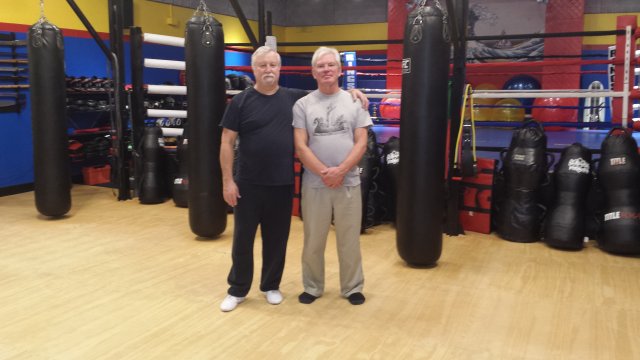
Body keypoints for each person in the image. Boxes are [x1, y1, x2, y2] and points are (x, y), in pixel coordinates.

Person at [219, 46, 369, 312]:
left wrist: (356, 93)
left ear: (279, 69)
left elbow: (335, 103)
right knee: (244, 238)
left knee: (279, 239)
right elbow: (228, 141)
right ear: (254, 69)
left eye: (272, 65)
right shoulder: (245, 102)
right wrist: (227, 181)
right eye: (262, 65)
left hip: (284, 183)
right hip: (251, 183)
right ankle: (240, 289)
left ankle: (272, 286)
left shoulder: (298, 98)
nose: (268, 70)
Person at [293, 47, 373, 306]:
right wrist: (324, 172)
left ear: (340, 70)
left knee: (349, 238)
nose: (326, 69)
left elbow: (361, 143)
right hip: (315, 183)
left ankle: (352, 287)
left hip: (348, 180)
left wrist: (341, 171)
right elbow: (301, 146)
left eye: (331, 65)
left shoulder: (355, 101)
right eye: (321, 66)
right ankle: (313, 286)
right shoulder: (302, 104)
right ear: (313, 72)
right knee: (313, 239)